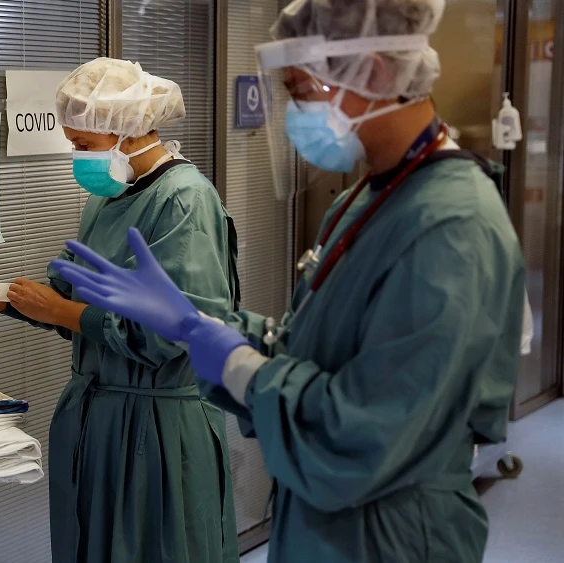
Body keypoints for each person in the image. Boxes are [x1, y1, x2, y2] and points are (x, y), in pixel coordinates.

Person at [50, 2, 527, 562]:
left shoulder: (452, 224)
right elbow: (311, 349)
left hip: (391, 529)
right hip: (322, 517)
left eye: (301, 90)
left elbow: (365, 430)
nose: (293, 113)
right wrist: (197, 323)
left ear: (373, 73)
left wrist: (236, 363)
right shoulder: (364, 199)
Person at [0, 58, 240, 563]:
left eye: (83, 145)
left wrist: (68, 315)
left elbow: (176, 333)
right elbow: (63, 295)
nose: (75, 156)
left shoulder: (183, 200)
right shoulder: (110, 197)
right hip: (100, 419)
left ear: (127, 132)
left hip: (158, 424)